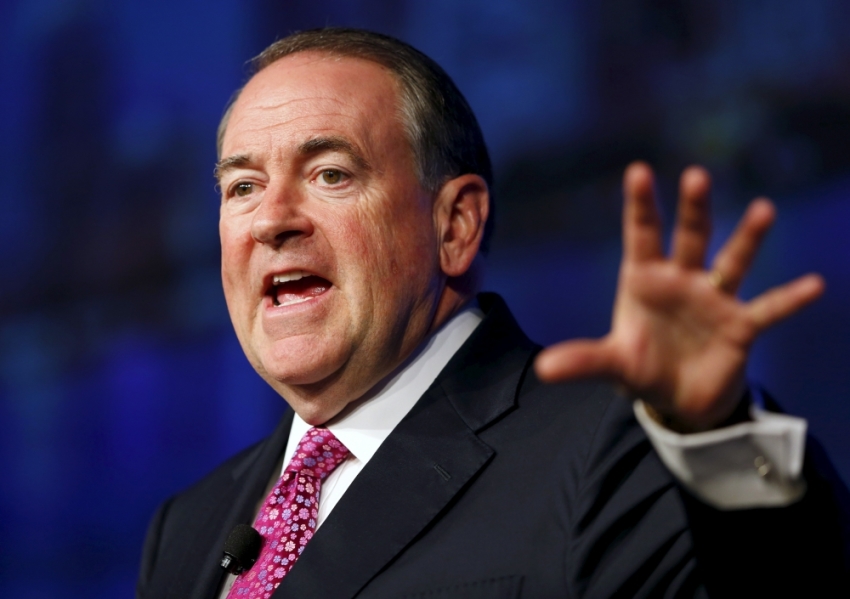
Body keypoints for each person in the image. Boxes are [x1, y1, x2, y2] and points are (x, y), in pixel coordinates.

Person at [136, 28, 850, 598]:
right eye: (243, 187)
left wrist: (714, 432)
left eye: (330, 174)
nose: (271, 221)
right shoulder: (188, 526)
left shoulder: (615, 447)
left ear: (455, 226)